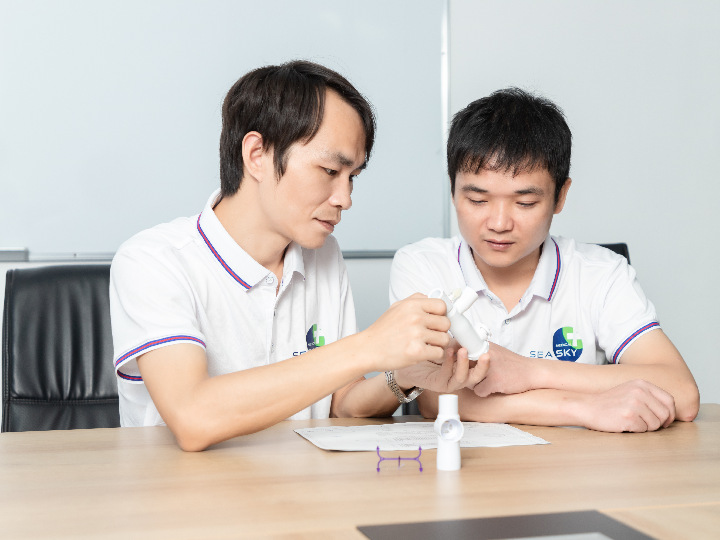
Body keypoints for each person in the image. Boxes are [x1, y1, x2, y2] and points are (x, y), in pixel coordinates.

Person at [110, 60, 486, 451]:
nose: (345, 199)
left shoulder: (322, 255)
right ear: (257, 154)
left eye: (352, 177)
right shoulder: (153, 260)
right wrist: (368, 346)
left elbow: (341, 402)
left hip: (300, 496)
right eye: (328, 170)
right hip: (185, 501)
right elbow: (193, 417)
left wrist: (406, 377)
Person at [389, 88, 700, 433]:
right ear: (453, 189)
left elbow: (682, 392)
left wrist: (530, 371)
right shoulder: (422, 265)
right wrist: (583, 407)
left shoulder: (601, 272)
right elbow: (434, 397)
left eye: (524, 203)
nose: (498, 223)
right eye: (478, 199)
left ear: (560, 196)